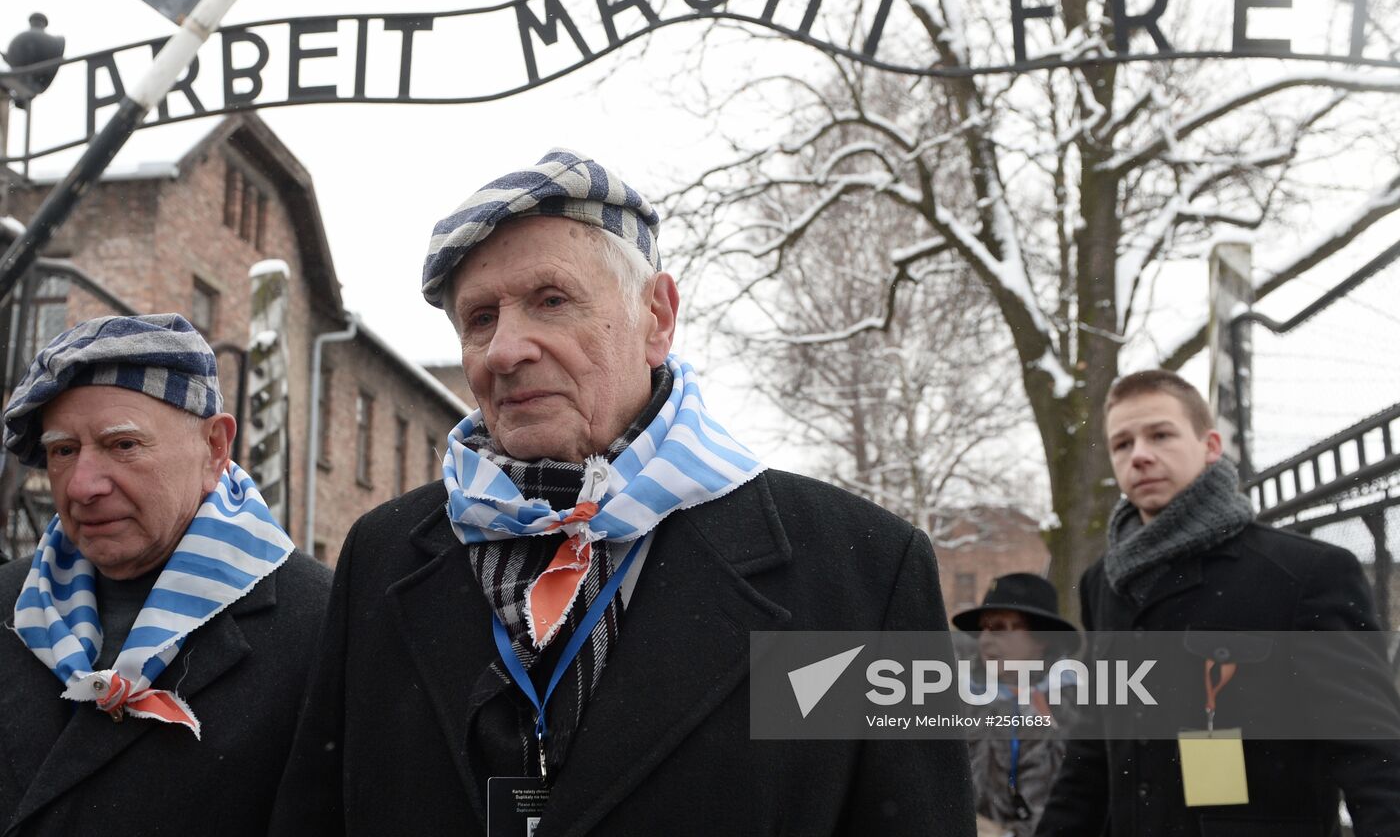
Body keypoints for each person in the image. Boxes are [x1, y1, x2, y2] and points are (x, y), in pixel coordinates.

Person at [271, 149, 976, 836]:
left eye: (551, 301)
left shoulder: (862, 573)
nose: (505, 350)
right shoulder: (384, 555)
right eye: (480, 318)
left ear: (657, 318)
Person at [0, 314, 331, 836]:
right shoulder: (9, 600)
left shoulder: (322, 625)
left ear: (214, 448)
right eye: (63, 451)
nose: (82, 485)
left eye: (123, 445)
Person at [1035, 369, 1400, 837]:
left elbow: (1371, 751)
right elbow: (1091, 754)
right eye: (1122, 444)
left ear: (1209, 446)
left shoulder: (1306, 573)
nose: (1139, 455)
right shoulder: (1102, 583)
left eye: (1160, 435)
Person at [953, 573, 1079, 837]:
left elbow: (1076, 809)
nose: (985, 640)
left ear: (1041, 638)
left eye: (999, 627)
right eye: (982, 628)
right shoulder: (956, 700)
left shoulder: (1079, 711)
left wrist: (1003, 835)